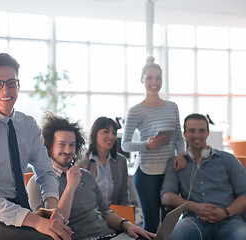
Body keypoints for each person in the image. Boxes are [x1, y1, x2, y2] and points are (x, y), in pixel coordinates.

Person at [0, 53, 72, 240]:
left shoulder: (28, 125)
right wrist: (37, 222)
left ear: (18, 86)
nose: (5, 90)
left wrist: (53, 211)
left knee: (60, 234)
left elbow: (46, 172)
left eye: (11, 83)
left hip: (20, 207)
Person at [27, 113, 155, 240]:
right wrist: (70, 187)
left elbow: (105, 211)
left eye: (72, 145)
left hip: (109, 235)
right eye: (62, 144)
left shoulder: (86, 176)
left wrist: (127, 225)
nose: (68, 150)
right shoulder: (37, 182)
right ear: (48, 147)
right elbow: (54, 226)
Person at [121, 56, 186, 233]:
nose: (154, 82)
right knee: (150, 225)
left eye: (158, 78)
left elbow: (180, 137)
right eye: (149, 77)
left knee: (170, 224)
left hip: (171, 172)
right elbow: (125, 145)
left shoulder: (172, 107)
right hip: (146, 174)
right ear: (142, 80)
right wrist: (146, 145)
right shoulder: (135, 111)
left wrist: (180, 154)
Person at [161, 113, 246, 240]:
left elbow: (244, 194)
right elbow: (166, 197)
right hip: (193, 221)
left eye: (201, 131)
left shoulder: (228, 159)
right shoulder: (177, 163)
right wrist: (194, 207)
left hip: (229, 219)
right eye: (192, 131)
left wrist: (225, 213)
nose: (197, 135)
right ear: (184, 134)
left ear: (208, 133)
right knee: (175, 234)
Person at [79, 117, 129, 206]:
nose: (111, 136)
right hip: (90, 215)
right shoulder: (82, 163)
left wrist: (122, 218)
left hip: (115, 214)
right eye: (106, 131)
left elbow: (123, 196)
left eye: (114, 133)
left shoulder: (121, 161)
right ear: (94, 134)